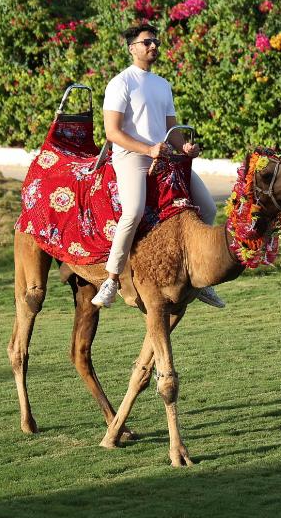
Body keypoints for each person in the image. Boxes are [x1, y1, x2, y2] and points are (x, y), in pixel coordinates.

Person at [91, 23, 226, 309]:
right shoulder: (121, 83)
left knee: (208, 206)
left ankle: (199, 279)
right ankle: (111, 279)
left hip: (163, 156)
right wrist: (148, 149)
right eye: (146, 42)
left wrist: (184, 147)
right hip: (131, 157)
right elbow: (112, 133)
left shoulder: (162, 84)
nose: (153, 46)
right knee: (133, 212)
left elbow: (171, 129)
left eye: (155, 41)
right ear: (132, 48)